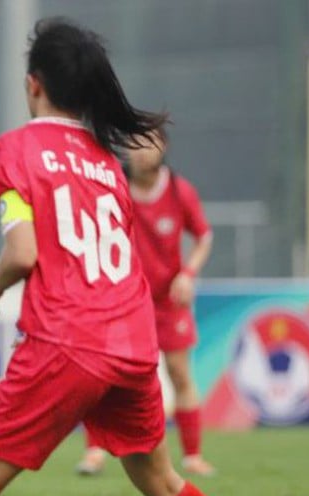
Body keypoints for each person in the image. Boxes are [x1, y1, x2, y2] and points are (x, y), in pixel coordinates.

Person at [0, 18, 292, 496]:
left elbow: (23, 252)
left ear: (33, 87)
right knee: (163, 481)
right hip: (132, 344)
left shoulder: (16, 148)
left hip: (66, 340)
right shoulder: (108, 162)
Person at [76, 128, 215, 476]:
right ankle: (95, 451)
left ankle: (193, 456)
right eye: (133, 144)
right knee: (101, 376)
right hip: (119, 299)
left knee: (179, 373)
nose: (139, 152)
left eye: (148, 144)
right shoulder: (111, 187)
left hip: (168, 301)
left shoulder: (179, 191)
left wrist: (188, 273)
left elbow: (203, 237)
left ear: (163, 147)